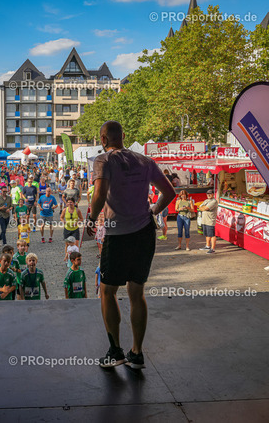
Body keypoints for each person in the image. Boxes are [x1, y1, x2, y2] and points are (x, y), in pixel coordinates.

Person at [86, 120, 175, 369]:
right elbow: (169, 192)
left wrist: (91, 219)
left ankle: (115, 352)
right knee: (137, 292)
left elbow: (99, 193)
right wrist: (153, 210)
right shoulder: (145, 161)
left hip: (118, 233)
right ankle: (136, 353)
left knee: (108, 291)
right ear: (123, 136)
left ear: (103, 139)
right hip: (144, 232)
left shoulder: (103, 160)